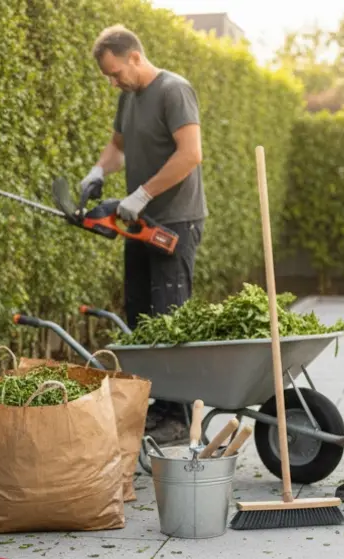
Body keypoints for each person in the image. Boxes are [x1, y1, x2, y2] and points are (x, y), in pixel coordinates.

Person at [82, 24, 207, 444]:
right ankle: (157, 406)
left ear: (134, 56)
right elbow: (117, 148)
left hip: (175, 221)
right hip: (139, 222)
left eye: (116, 73)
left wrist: (143, 193)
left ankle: (179, 416)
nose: (113, 82)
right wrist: (98, 171)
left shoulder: (174, 91)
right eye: (108, 77)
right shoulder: (128, 97)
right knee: (140, 316)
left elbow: (190, 154)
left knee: (170, 319)